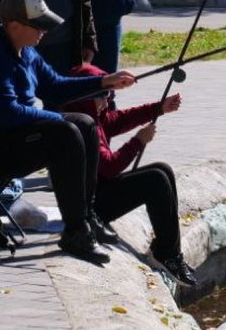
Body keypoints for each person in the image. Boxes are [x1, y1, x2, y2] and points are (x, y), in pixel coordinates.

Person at [0, 0, 135, 264]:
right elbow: (7, 114)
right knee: (66, 132)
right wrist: (57, 119)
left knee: (84, 124)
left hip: (10, 137)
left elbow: (56, 87)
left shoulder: (26, 51)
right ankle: (75, 232)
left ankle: (86, 216)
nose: (44, 32)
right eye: (38, 26)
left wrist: (105, 81)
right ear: (13, 26)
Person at [60, 63, 198, 286]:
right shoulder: (83, 126)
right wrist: (138, 141)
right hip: (92, 207)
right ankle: (167, 255)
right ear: (87, 97)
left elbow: (119, 119)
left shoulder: (92, 116)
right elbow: (110, 166)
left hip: (99, 191)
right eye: (103, 95)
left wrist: (159, 108)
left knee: (163, 169)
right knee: (156, 181)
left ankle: (170, 252)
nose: (107, 101)